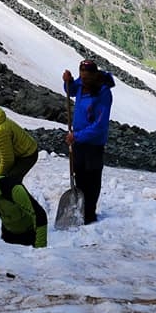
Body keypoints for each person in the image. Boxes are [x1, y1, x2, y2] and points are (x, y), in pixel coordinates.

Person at [62, 59, 115, 225]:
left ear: (94, 75)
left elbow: (99, 125)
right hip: (78, 140)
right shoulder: (81, 84)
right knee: (79, 174)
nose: (83, 80)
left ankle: (89, 213)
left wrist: (76, 136)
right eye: (81, 76)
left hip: (94, 143)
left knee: (92, 178)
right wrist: (68, 82)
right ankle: (81, 208)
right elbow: (71, 90)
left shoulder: (102, 93)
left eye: (86, 77)